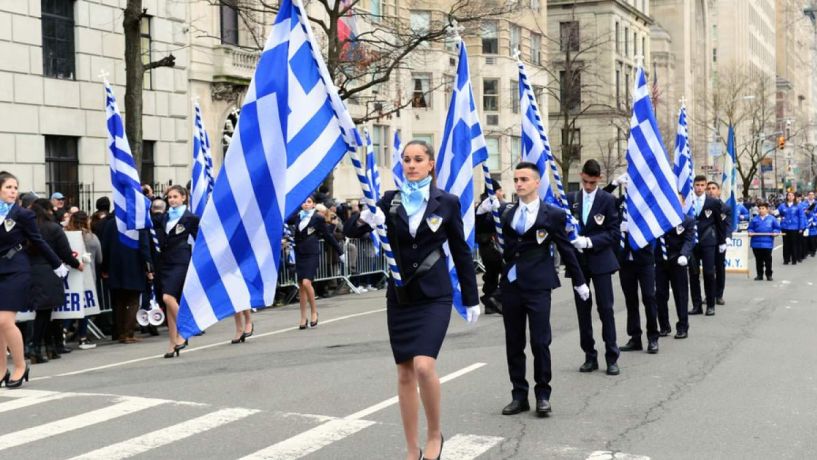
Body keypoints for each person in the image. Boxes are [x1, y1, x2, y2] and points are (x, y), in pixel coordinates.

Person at [348, 140, 479, 460]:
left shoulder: (446, 202)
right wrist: (366, 218)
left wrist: (471, 296)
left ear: (431, 164)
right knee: (405, 372)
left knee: (423, 365)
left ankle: (435, 434)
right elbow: (352, 231)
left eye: (418, 159)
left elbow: (461, 251)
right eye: (406, 160)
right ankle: (411, 448)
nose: (411, 164)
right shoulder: (390, 201)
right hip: (401, 297)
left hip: (434, 296)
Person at [498, 162, 588, 418]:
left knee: (540, 342)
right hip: (513, 286)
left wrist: (579, 281)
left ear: (537, 183)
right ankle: (519, 394)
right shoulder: (507, 214)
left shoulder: (553, 214)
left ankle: (543, 394)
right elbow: (507, 249)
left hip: (538, 286)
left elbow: (566, 248)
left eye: (524, 179)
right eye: (516, 179)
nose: (519, 184)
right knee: (514, 342)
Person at [0, 171, 66, 388]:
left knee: (4, 321)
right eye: (8, 187)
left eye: (15, 187)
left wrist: (57, 264)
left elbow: (38, 241)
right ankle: (1, 370)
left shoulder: (22, 214)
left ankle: (20, 365)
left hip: (17, 269)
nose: (13, 191)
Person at [567, 159, 621, 375]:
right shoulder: (572, 199)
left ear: (599, 178)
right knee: (583, 311)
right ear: (581, 176)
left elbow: (613, 233)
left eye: (592, 182)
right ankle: (589, 355)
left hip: (600, 259)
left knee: (606, 309)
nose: (588, 186)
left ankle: (611, 356)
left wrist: (590, 242)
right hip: (579, 262)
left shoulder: (608, 200)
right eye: (585, 181)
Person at [606, 175, 660, 354]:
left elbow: (655, 225)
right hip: (625, 258)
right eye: (626, 183)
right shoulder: (620, 202)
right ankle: (635, 337)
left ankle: (653, 337)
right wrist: (613, 184)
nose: (629, 185)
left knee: (649, 297)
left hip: (644, 258)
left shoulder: (647, 203)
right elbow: (601, 199)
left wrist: (635, 228)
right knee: (630, 300)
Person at [26, 199, 83, 363]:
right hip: (49, 271)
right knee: (45, 313)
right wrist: (77, 264)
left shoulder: (28, 228)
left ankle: (45, 347)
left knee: (42, 312)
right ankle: (38, 348)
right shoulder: (53, 228)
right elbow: (65, 252)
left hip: (30, 271)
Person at [153, 185, 199, 358]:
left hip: (181, 261)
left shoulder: (191, 218)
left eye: (175, 197)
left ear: (184, 198)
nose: (171, 200)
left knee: (168, 297)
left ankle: (187, 328)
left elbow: (200, 240)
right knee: (167, 304)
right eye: (169, 197)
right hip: (164, 262)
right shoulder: (163, 217)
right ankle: (173, 343)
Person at [100, 209, 154, 344]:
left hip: (115, 267)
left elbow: (104, 247)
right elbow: (144, 247)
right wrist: (148, 268)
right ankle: (128, 333)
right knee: (133, 301)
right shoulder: (138, 224)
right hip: (134, 266)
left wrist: (104, 267)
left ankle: (119, 332)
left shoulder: (111, 223)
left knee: (119, 302)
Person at [290, 196, 343, 329]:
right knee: (301, 285)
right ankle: (303, 317)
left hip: (312, 252)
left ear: (314, 205)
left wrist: (340, 252)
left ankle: (314, 311)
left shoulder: (317, 218)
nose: (306, 204)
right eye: (304, 202)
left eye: (309, 202)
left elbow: (327, 235)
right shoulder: (298, 217)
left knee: (307, 282)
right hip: (300, 253)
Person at [655, 196, 696, 339]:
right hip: (660, 261)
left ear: (683, 203)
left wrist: (684, 254)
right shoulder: (659, 220)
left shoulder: (687, 220)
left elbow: (689, 240)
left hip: (678, 261)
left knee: (681, 295)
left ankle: (683, 326)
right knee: (660, 295)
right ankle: (664, 326)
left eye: (678, 201)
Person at [688, 175, 727, 316]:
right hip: (692, 243)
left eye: (702, 185)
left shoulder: (713, 203)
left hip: (708, 242)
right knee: (693, 274)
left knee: (709, 273)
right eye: (697, 185)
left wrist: (722, 241)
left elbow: (719, 224)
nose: (699, 188)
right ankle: (696, 305)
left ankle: (710, 305)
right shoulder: (688, 201)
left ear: (705, 186)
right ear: (693, 186)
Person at [64, 211, 102, 349]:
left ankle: (64, 330)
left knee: (70, 305)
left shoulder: (66, 236)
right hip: (88, 276)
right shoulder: (92, 237)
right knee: (84, 307)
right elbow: (100, 259)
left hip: (69, 275)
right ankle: (83, 337)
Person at [475, 183, 510, 314]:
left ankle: (491, 303)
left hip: (489, 245)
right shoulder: (487, 206)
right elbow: (486, 224)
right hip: (491, 245)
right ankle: (494, 297)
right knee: (506, 272)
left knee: (491, 274)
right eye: (500, 190)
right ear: (494, 191)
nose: (502, 193)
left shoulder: (494, 204)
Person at [706, 181, 731, 306]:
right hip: (707, 241)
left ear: (719, 191)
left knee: (720, 269)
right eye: (709, 188)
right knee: (708, 270)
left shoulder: (725, 207)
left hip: (719, 242)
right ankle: (709, 294)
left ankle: (719, 295)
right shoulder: (703, 206)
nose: (711, 191)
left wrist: (726, 238)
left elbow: (728, 225)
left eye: (713, 188)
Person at [747, 202, 781, 281]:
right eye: (760, 209)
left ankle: (769, 275)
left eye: (763, 208)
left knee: (768, 260)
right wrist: (750, 232)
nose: (761, 210)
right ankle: (759, 275)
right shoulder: (755, 219)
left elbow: (777, 228)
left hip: (767, 243)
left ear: (767, 209)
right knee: (758, 260)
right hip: (756, 243)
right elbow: (750, 228)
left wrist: (775, 232)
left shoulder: (772, 219)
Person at [776, 191, 803, 265]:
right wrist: (780, 217)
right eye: (789, 195)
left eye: (792, 195)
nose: (790, 197)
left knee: (794, 244)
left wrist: (801, 227)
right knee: (785, 244)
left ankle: (794, 259)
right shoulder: (782, 205)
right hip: (785, 227)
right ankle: (786, 259)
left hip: (794, 227)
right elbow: (777, 213)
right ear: (787, 197)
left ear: (794, 197)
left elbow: (801, 217)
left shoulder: (798, 206)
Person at [804, 191, 817, 257]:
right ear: (807, 196)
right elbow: (803, 213)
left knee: (813, 237)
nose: (811, 196)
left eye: (812, 195)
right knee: (807, 237)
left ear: (814, 196)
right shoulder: (804, 203)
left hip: (814, 222)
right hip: (806, 222)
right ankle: (807, 251)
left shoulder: (816, 203)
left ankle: (813, 251)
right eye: (810, 195)